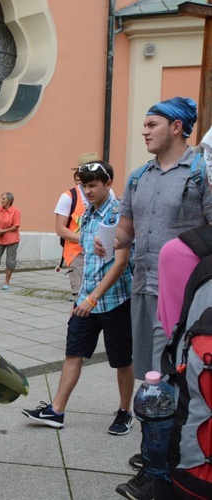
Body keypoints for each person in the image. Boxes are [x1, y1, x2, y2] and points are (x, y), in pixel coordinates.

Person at [97, 97, 212, 499]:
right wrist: (108, 239)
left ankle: (159, 474)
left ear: (178, 127)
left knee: (169, 382)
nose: (144, 131)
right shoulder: (137, 176)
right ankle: (159, 453)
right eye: (144, 125)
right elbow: (127, 231)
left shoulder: (201, 173)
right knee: (151, 376)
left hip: (185, 298)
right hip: (143, 288)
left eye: (152, 124)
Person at [22, 160, 135, 435]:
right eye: (84, 185)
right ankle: (56, 411)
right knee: (73, 353)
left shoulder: (119, 214)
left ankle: (125, 411)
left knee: (121, 359)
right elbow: (88, 261)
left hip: (115, 301)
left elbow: (120, 264)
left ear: (108, 183)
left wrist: (93, 298)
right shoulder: (87, 214)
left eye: (93, 184)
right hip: (87, 299)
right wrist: (80, 300)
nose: (88, 190)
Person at [55, 153, 95, 296]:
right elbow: (60, 230)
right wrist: (86, 239)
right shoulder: (68, 197)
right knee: (81, 298)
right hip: (77, 253)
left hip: (99, 253)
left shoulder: (108, 193)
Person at [0, 192, 20, 290]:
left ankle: (6, 282)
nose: (1, 200)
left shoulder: (16, 211)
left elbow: (16, 226)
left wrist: (4, 230)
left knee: (10, 261)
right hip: (0, 238)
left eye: (3, 199)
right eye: (2, 198)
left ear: (9, 201)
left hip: (12, 239)